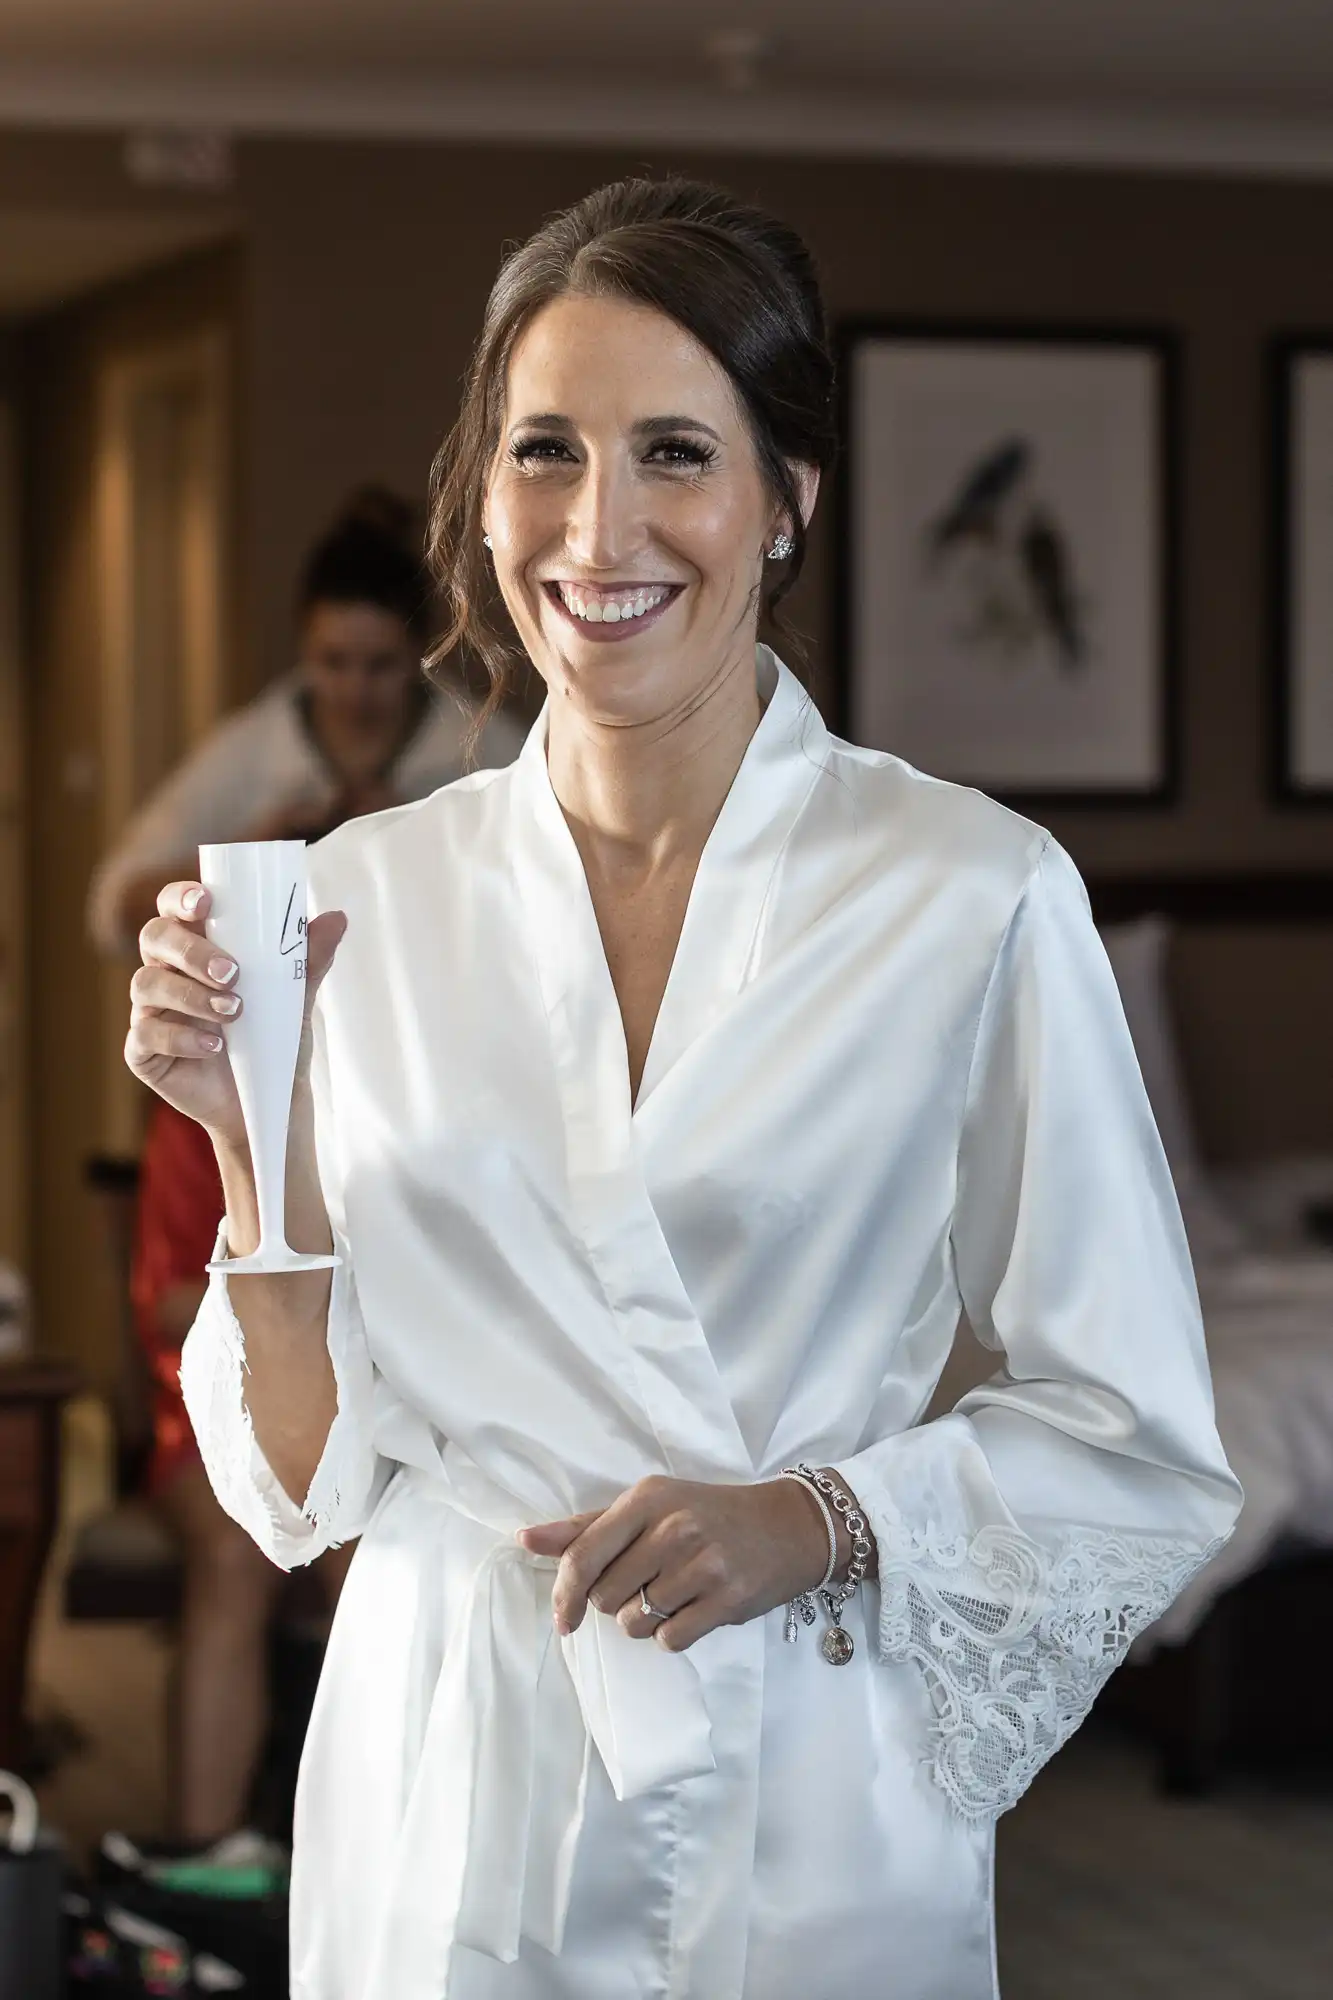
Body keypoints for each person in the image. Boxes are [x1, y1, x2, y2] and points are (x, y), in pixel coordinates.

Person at [125, 179, 1241, 2000]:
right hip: (447, 1780)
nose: (597, 527)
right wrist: (252, 1134)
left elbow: (1133, 1438)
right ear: (480, 492)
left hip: (797, 1784)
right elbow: (301, 1495)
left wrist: (810, 1517)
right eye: (542, 452)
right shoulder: (352, 903)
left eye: (672, 453)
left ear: (787, 494)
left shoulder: (966, 894)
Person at [87, 485, 525, 955]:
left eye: (380, 665)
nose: (356, 691)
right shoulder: (249, 751)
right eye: (333, 662)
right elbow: (112, 907)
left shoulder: (487, 747)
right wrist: (247, 862)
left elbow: (555, 895)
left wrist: (418, 844)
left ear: (421, 650)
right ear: (303, 647)